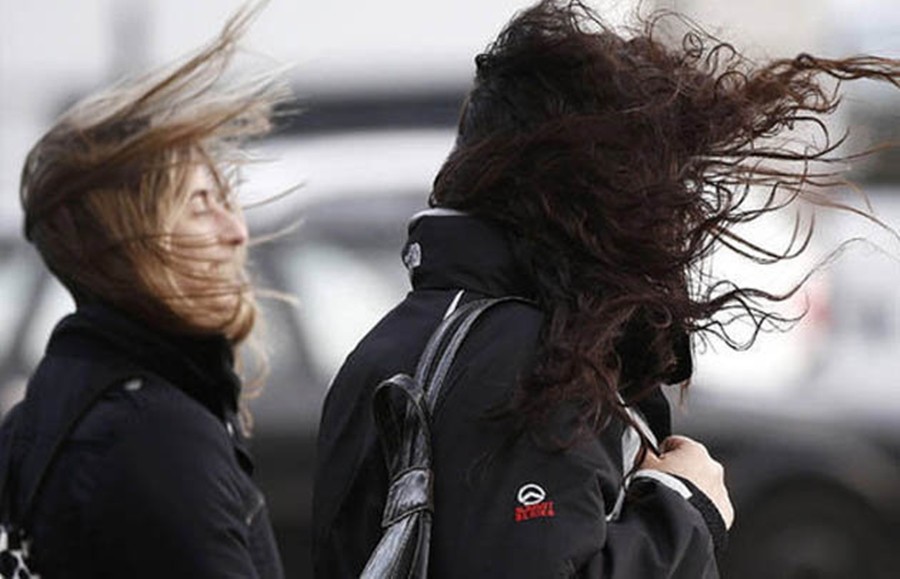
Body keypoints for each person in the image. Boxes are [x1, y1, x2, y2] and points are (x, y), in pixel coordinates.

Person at [312, 1, 900, 577]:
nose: (675, 212)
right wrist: (683, 507)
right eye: (654, 181)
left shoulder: (398, 339)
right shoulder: (522, 355)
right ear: (591, 191)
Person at [0, 4, 289, 577]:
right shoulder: (155, 436)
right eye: (199, 206)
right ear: (129, 240)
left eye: (226, 203)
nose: (236, 233)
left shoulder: (48, 411)